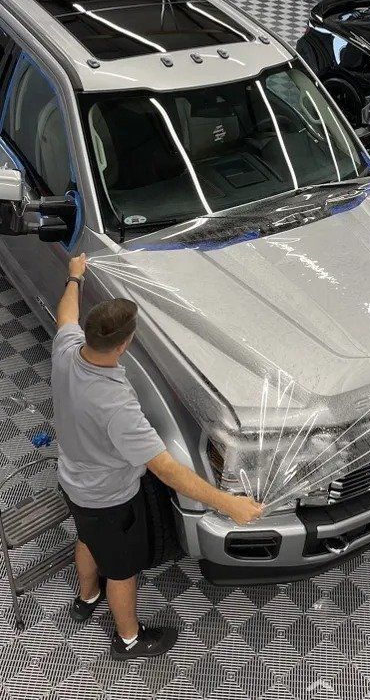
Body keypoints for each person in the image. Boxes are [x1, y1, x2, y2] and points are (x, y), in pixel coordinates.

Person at [51, 253, 263, 661]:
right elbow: (166, 470)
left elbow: (65, 314)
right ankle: (130, 639)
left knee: (87, 537)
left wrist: (74, 277)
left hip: (74, 483)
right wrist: (229, 504)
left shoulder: (67, 349)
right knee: (123, 569)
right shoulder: (117, 405)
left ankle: (86, 597)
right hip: (110, 499)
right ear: (125, 343)